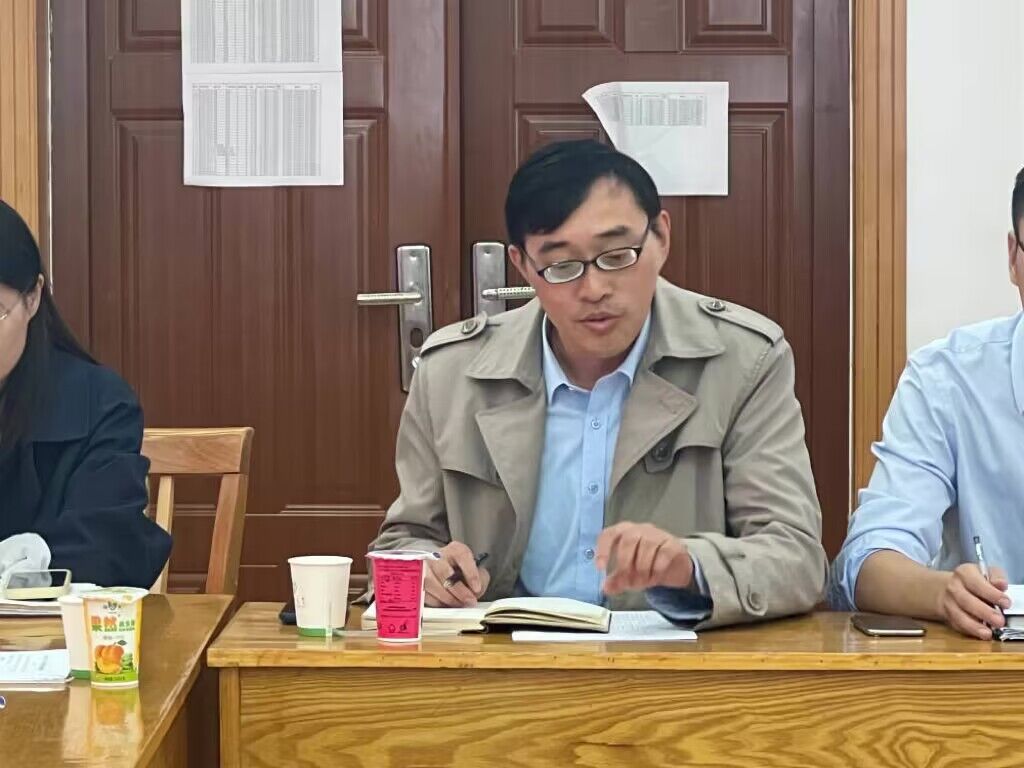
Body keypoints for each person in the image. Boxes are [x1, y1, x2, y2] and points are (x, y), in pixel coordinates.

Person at [370, 140, 825, 628]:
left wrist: (693, 568)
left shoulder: (743, 360)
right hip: (499, 659)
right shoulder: (451, 372)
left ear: (661, 238)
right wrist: (424, 571)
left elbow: (796, 557)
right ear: (522, 266)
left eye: (617, 255)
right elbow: (404, 541)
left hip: (671, 660)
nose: (594, 290)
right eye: (561, 266)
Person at [829, 168, 1024, 639]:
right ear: (1014, 258)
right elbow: (865, 564)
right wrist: (942, 593)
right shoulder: (948, 378)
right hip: (991, 672)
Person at [0, 200, 171, 588]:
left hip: (57, 623)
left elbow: (108, 539)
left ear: (33, 297)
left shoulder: (100, 403)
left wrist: (41, 557)